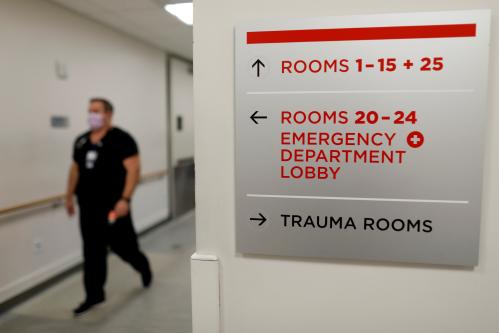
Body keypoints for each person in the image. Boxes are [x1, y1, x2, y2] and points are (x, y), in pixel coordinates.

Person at [65, 98, 152, 316]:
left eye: (96, 111)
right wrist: (68, 196)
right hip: (88, 208)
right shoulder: (81, 141)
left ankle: (142, 266)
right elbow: (75, 169)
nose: (91, 115)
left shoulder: (122, 139)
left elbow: (134, 169)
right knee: (92, 252)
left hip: (115, 207)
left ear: (109, 114)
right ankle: (93, 295)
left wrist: (126, 199)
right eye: (89, 111)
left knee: (124, 247)